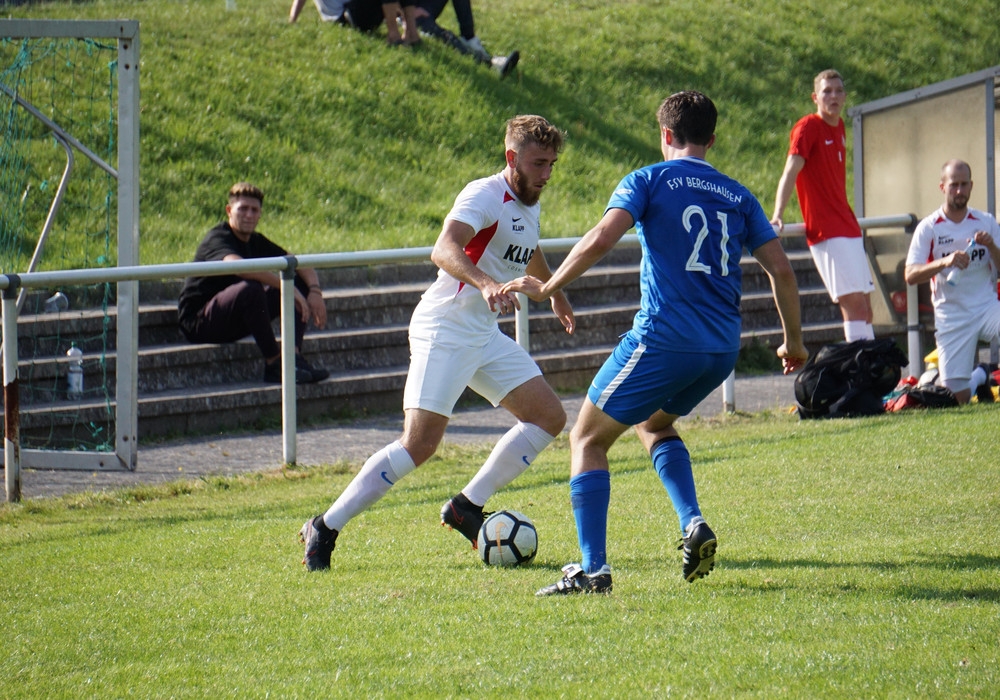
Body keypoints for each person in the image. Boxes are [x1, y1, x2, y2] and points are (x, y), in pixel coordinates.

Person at [503, 91, 808, 595]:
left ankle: (593, 572)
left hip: (665, 338)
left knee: (587, 439)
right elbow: (782, 270)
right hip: (721, 349)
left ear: (665, 134)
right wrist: (792, 341)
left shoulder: (648, 179)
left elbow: (603, 237)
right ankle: (693, 523)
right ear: (712, 139)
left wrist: (550, 286)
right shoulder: (738, 194)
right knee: (654, 423)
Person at [299, 115, 574, 571]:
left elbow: (528, 246)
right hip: (445, 329)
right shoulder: (484, 194)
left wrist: (555, 293)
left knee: (548, 417)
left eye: (552, 164)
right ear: (512, 158)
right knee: (419, 444)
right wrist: (486, 283)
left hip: (482, 334)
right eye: (538, 163)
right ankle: (324, 527)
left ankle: (466, 507)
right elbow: (444, 248)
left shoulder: (529, 200)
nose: (546, 174)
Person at [178, 182, 329, 385]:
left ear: (260, 215)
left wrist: (314, 291)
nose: (249, 215)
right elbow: (239, 267)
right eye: (243, 209)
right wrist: (288, 289)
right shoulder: (218, 237)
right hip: (200, 323)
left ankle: (293, 359)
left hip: (233, 319)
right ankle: (274, 365)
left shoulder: (255, 241)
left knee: (296, 279)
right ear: (229, 211)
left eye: (254, 210)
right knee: (252, 289)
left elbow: (296, 262)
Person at [771, 69, 876, 342]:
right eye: (827, 91)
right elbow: (790, 172)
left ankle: (872, 365)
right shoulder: (807, 127)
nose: (833, 96)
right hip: (827, 231)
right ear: (815, 97)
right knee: (854, 307)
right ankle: (861, 366)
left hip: (848, 226)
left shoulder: (839, 127)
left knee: (867, 310)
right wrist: (778, 214)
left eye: (838, 91)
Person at [904, 159, 1000, 404]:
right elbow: (910, 275)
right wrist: (944, 262)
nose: (959, 190)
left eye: (964, 184)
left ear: (971, 186)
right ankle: (980, 375)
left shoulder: (986, 221)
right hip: (952, 315)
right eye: (953, 185)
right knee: (956, 398)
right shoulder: (929, 227)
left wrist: (991, 246)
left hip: (987, 307)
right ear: (942, 187)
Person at [414, 0, 519, 78]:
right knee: (444, 36)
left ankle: (469, 38)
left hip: (419, 7)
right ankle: (489, 65)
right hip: (409, 16)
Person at [289, 0, 421, 46]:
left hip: (358, 11)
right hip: (345, 16)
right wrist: (292, 20)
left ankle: (411, 33)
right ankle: (394, 35)